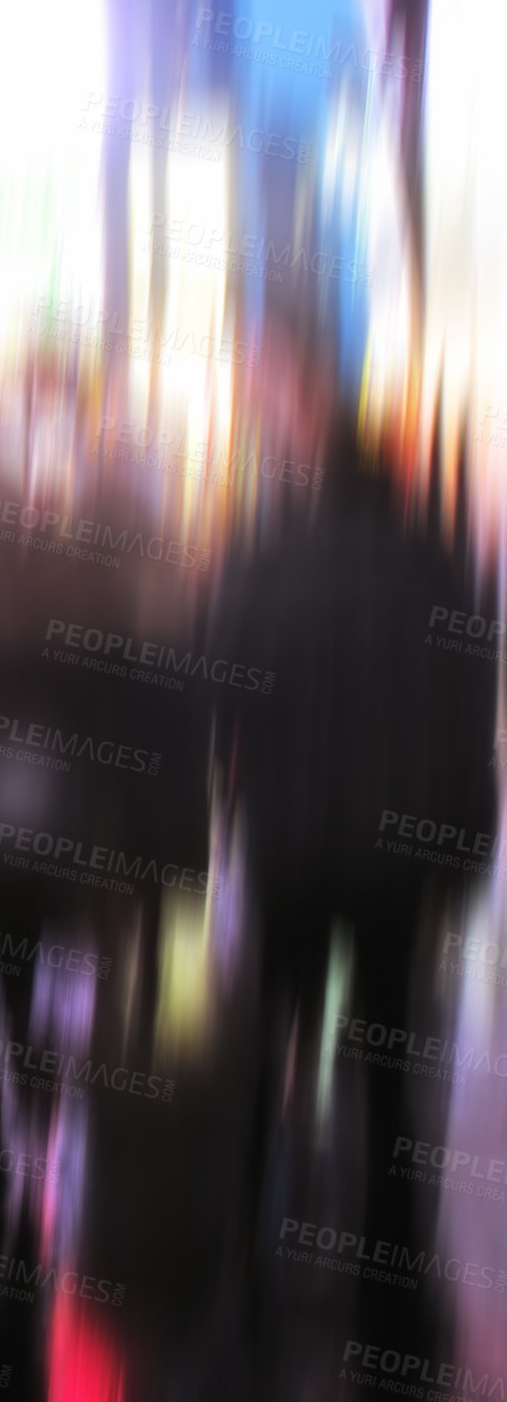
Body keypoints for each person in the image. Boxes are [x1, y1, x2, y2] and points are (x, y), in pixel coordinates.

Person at [208, 320, 498, 1378]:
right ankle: (392, 1304)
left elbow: (213, 683)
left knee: (256, 1063)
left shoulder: (266, 551)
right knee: (384, 1075)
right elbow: (472, 714)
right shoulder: (435, 559)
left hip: (285, 847)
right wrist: (457, 857)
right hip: (394, 867)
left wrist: (214, 818)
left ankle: (241, 1275)